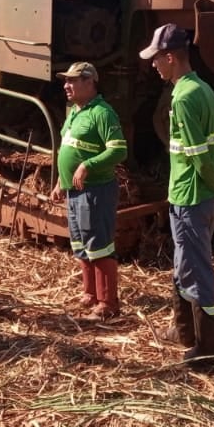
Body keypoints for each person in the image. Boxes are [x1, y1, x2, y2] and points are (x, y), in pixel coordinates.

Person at [140, 24, 214, 363]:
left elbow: (198, 155)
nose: (153, 65)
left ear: (170, 57)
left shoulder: (182, 96)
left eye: (156, 59)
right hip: (197, 195)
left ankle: (208, 350)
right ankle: (183, 330)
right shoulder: (205, 90)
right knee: (183, 265)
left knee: (196, 269)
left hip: (191, 196)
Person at [48, 62, 128, 320]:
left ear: (90, 82)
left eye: (72, 81)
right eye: (66, 81)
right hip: (74, 191)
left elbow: (118, 150)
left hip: (96, 191)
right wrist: (61, 181)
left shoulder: (103, 113)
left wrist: (87, 165)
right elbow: (69, 147)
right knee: (80, 242)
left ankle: (108, 303)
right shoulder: (74, 111)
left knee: (99, 244)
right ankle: (90, 293)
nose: (66, 85)